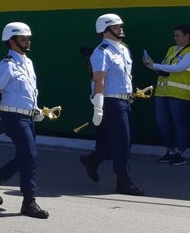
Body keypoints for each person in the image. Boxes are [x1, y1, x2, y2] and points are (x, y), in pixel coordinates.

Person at [0, 23, 50, 218]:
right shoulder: (6, 65)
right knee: (30, 155)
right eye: (23, 39)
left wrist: (36, 110)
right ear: (11, 41)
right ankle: (28, 202)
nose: (28, 42)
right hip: (13, 117)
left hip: (27, 116)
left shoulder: (28, 62)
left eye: (28, 38)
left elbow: (27, 92)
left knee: (23, 156)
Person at [80, 13, 145, 195]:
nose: (120, 29)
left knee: (126, 140)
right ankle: (123, 181)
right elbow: (99, 80)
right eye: (116, 27)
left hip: (124, 100)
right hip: (110, 101)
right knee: (122, 141)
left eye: (120, 26)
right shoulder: (101, 52)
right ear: (105, 30)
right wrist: (98, 106)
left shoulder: (123, 49)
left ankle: (93, 159)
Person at [143, 24, 190, 166]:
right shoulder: (171, 49)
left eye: (178, 35)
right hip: (161, 92)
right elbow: (164, 67)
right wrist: (151, 65)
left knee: (179, 124)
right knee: (162, 122)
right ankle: (170, 151)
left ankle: (181, 153)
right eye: (174, 35)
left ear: (187, 36)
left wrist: (155, 65)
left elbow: (178, 68)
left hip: (179, 94)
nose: (175, 38)